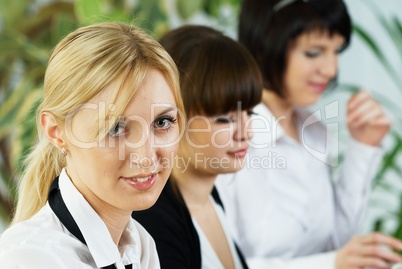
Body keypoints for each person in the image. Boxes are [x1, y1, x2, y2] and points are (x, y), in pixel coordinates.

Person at [215, 0, 401, 268]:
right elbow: (220, 262)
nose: (331, 70)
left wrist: (364, 145)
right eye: (314, 52)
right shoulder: (229, 139)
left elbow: (335, 243)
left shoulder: (313, 131)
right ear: (265, 48)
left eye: (336, 51)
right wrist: (330, 263)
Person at [0, 22, 185, 268]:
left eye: (162, 122)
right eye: (115, 129)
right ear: (56, 132)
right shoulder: (31, 258)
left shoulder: (140, 246)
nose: (147, 156)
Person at [132, 25, 263, 269]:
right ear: (170, 118)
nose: (247, 133)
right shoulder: (153, 225)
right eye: (225, 119)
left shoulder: (209, 197)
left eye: (250, 112)